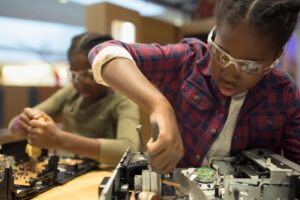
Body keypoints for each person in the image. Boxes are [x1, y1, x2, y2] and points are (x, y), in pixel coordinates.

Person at [88, 0, 300, 173]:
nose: (229, 73)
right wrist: (159, 106)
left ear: (276, 57)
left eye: (249, 66)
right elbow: (105, 52)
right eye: (221, 54)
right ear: (214, 34)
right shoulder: (188, 60)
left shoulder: (285, 95)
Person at [9, 33, 140, 165]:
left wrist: (60, 140)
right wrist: (23, 123)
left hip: (103, 176)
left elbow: (128, 150)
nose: (80, 82)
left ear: (108, 70)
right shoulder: (71, 92)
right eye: (74, 74)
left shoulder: (124, 100)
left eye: (88, 74)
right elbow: (13, 126)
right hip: (68, 169)